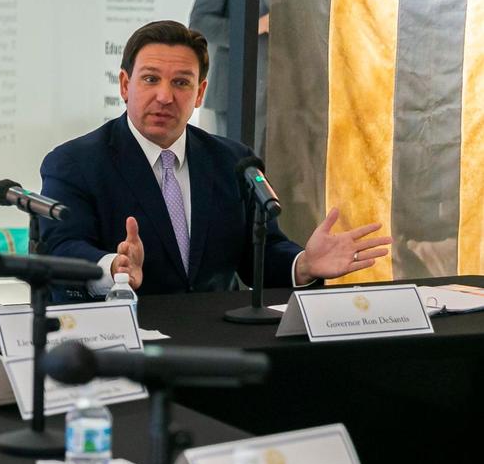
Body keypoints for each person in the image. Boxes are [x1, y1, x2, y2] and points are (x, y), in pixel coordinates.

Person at [39, 20, 391, 299]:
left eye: (181, 83)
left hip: (218, 344)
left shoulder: (233, 161)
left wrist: (304, 265)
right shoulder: (75, 163)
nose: (164, 96)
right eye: (150, 79)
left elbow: (261, 255)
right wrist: (112, 267)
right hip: (124, 346)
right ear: (124, 85)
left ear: (200, 93)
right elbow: (61, 247)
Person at [190, 0, 270, 153]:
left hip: (292, 94)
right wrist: (255, 26)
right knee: (235, 168)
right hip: (238, 93)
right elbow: (200, 24)